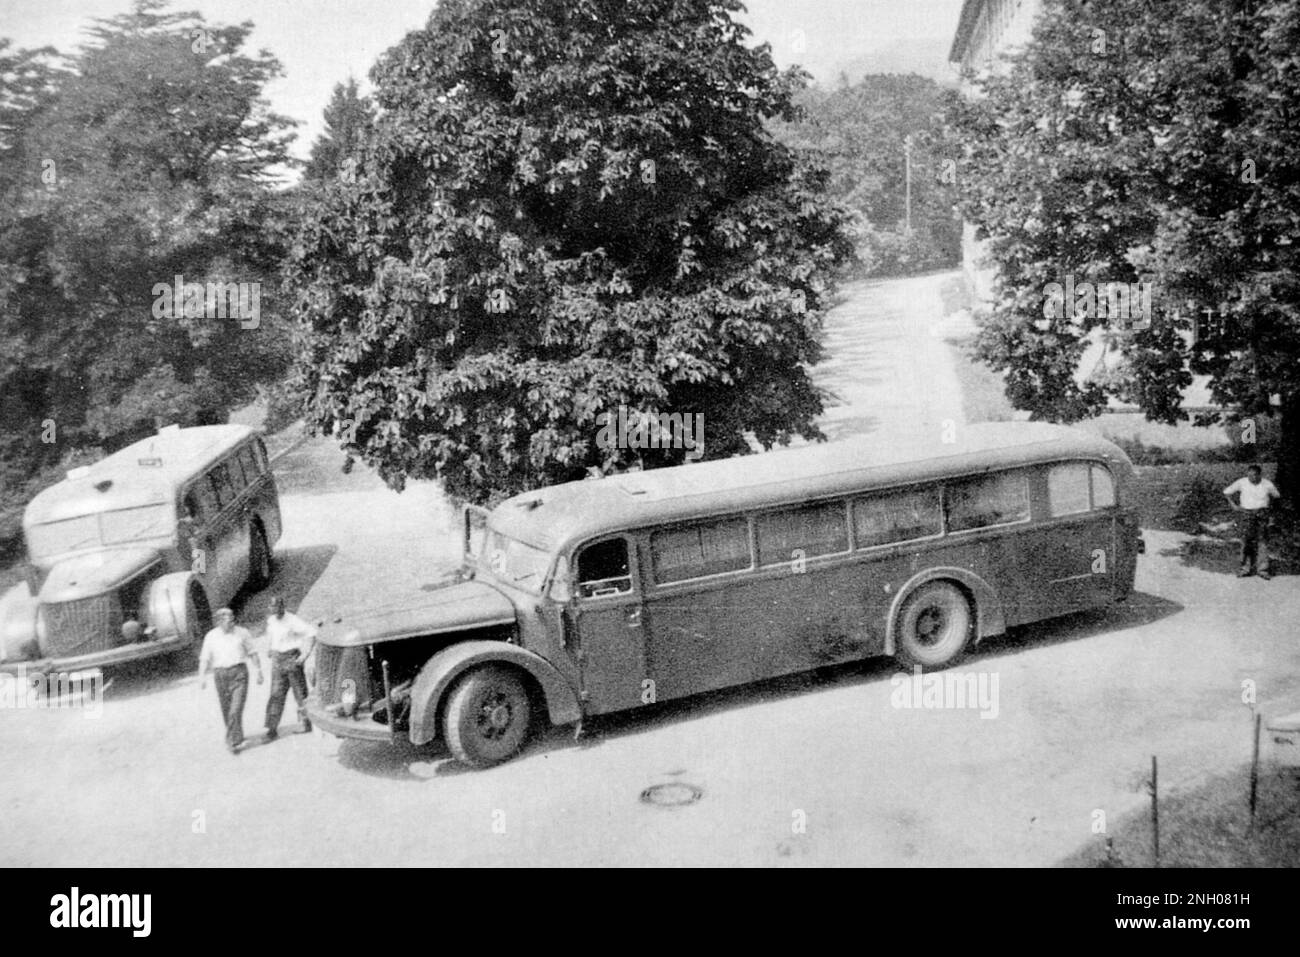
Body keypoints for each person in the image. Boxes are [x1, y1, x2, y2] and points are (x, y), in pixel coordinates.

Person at [198, 608, 263, 754]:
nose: (232, 622)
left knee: (236, 708)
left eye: (233, 619)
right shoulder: (211, 636)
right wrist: (201, 677)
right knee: (227, 709)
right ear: (219, 621)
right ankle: (237, 736)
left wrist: (259, 671)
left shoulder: (242, 632)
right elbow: (204, 658)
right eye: (228, 620)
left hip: (239, 673)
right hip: (220, 675)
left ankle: (231, 742)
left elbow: (253, 652)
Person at [262, 595, 317, 740]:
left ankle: (307, 723)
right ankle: (271, 730)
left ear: (283, 606)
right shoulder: (271, 620)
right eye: (273, 607)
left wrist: (305, 655)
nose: (276, 609)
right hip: (277, 661)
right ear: (270, 608)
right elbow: (271, 634)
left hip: (292, 658)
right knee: (275, 694)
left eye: (279, 606)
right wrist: (270, 648)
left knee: (300, 693)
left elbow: (311, 633)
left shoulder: (292, 620)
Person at [1223, 464, 1281, 579]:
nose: (1251, 478)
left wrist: (1270, 512)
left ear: (1259, 475)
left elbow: (1276, 496)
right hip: (1246, 514)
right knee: (1246, 541)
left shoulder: (1267, 484)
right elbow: (1226, 492)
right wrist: (1233, 505)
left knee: (1262, 541)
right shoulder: (1241, 482)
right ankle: (1245, 569)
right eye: (1249, 475)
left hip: (1262, 513)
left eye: (1254, 475)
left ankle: (1262, 570)